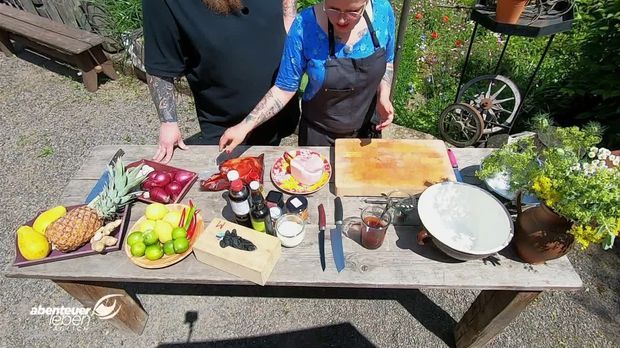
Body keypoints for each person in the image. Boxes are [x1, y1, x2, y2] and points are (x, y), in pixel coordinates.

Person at [219, 0, 395, 151]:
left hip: (366, 131)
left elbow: (388, 60)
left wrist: (384, 96)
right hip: (319, 137)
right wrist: (244, 127)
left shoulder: (383, 12)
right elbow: (284, 88)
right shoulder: (304, 25)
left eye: (352, 11)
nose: (341, 19)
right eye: (333, 8)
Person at [143, 0, 301, 163]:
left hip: (279, 105)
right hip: (226, 123)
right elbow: (160, 63)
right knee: (231, 175)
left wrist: (289, 24)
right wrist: (168, 122)